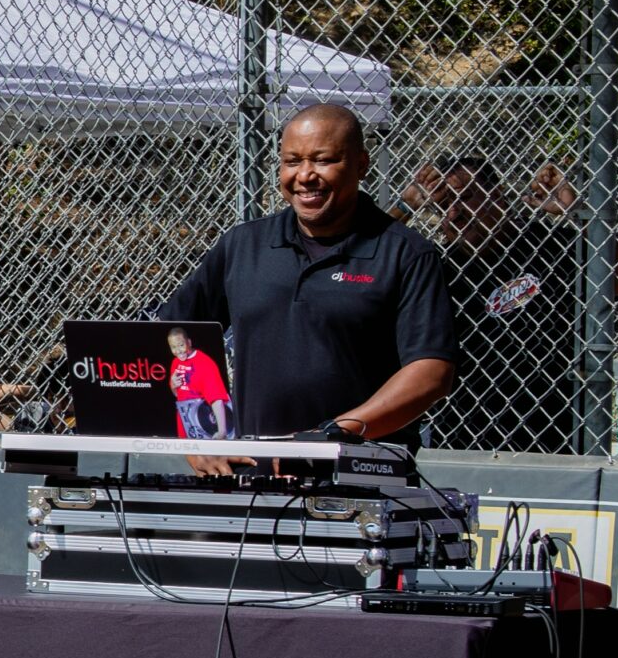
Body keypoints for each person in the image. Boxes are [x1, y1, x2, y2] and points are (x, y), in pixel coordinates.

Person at [155, 103, 457, 467]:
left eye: (323, 160)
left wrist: (332, 435)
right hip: (253, 470)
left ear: (361, 164)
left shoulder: (406, 254)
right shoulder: (243, 245)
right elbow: (169, 342)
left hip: (358, 471)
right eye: (292, 161)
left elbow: (431, 373)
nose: (305, 175)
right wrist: (197, 440)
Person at [406, 151, 618, 454]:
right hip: (460, 435)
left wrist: (577, 212)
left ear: (498, 196)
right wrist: (405, 207)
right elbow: (363, 267)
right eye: (443, 204)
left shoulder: (550, 244)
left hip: (556, 433)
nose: (454, 213)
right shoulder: (436, 264)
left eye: (465, 198)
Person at [166, 326, 232, 439]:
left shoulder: (205, 363)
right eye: (173, 347)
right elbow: (178, 394)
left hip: (203, 423)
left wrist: (222, 431)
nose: (178, 351)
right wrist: (173, 386)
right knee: (189, 455)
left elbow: (216, 399)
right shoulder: (175, 363)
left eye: (181, 345)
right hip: (184, 419)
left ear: (189, 342)